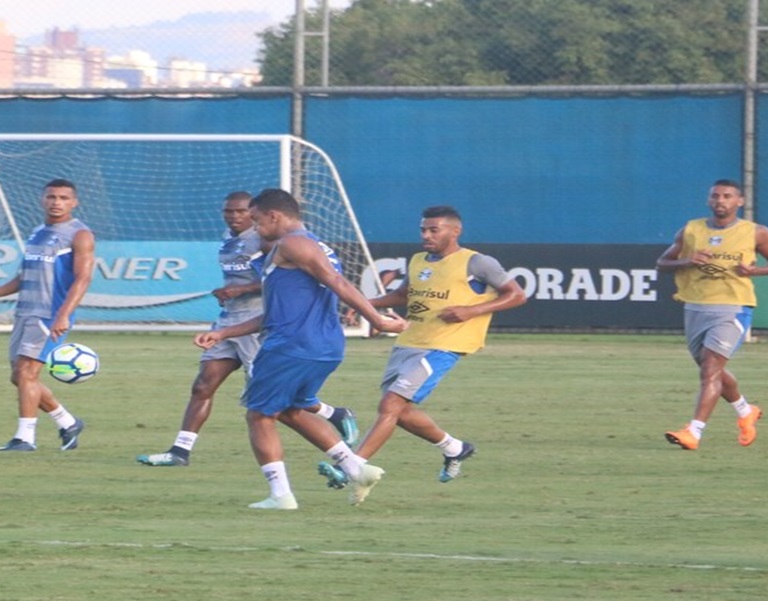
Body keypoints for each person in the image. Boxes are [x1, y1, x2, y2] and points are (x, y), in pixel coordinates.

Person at [194, 188, 407, 510]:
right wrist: (226, 332)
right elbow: (281, 309)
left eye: (256, 220)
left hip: (292, 344)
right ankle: (355, 468)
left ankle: (281, 495)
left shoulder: (292, 243)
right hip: (323, 344)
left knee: (260, 415)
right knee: (291, 410)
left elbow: (339, 284)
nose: (254, 227)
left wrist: (376, 318)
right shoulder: (310, 245)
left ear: (274, 216)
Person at [137, 191, 358, 467]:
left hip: (262, 321)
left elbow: (283, 278)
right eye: (229, 212)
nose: (236, 217)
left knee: (270, 401)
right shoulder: (229, 238)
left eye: (243, 212)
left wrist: (242, 289)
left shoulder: (269, 239)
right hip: (230, 319)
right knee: (204, 383)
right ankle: (180, 451)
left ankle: (333, 418)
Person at [331, 205, 526, 491]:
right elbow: (401, 295)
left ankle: (351, 466)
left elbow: (517, 295)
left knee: (390, 406)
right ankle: (454, 448)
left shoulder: (477, 263)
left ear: (455, 231)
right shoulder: (419, 260)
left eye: (434, 229)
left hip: (444, 347)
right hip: (409, 343)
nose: (426, 235)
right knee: (401, 413)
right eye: (423, 229)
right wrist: (364, 305)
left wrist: (470, 311)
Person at [656, 179, 768, 450]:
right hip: (695, 307)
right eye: (715, 196)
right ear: (708, 200)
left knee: (711, 370)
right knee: (711, 370)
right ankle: (745, 411)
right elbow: (662, 263)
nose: (720, 200)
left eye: (727, 196)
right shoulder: (691, 230)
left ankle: (694, 431)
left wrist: (756, 271)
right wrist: (687, 261)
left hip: (733, 307)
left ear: (739, 201)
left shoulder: (756, 233)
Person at [0, 178, 95, 452]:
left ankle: (25, 438)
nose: (57, 203)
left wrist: (63, 315)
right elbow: (24, 276)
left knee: (27, 373)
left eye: (63, 198)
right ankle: (67, 422)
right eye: (51, 197)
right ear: (42, 200)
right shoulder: (38, 232)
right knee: (19, 377)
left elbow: (83, 278)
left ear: (74, 202)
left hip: (50, 314)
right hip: (25, 311)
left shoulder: (79, 234)